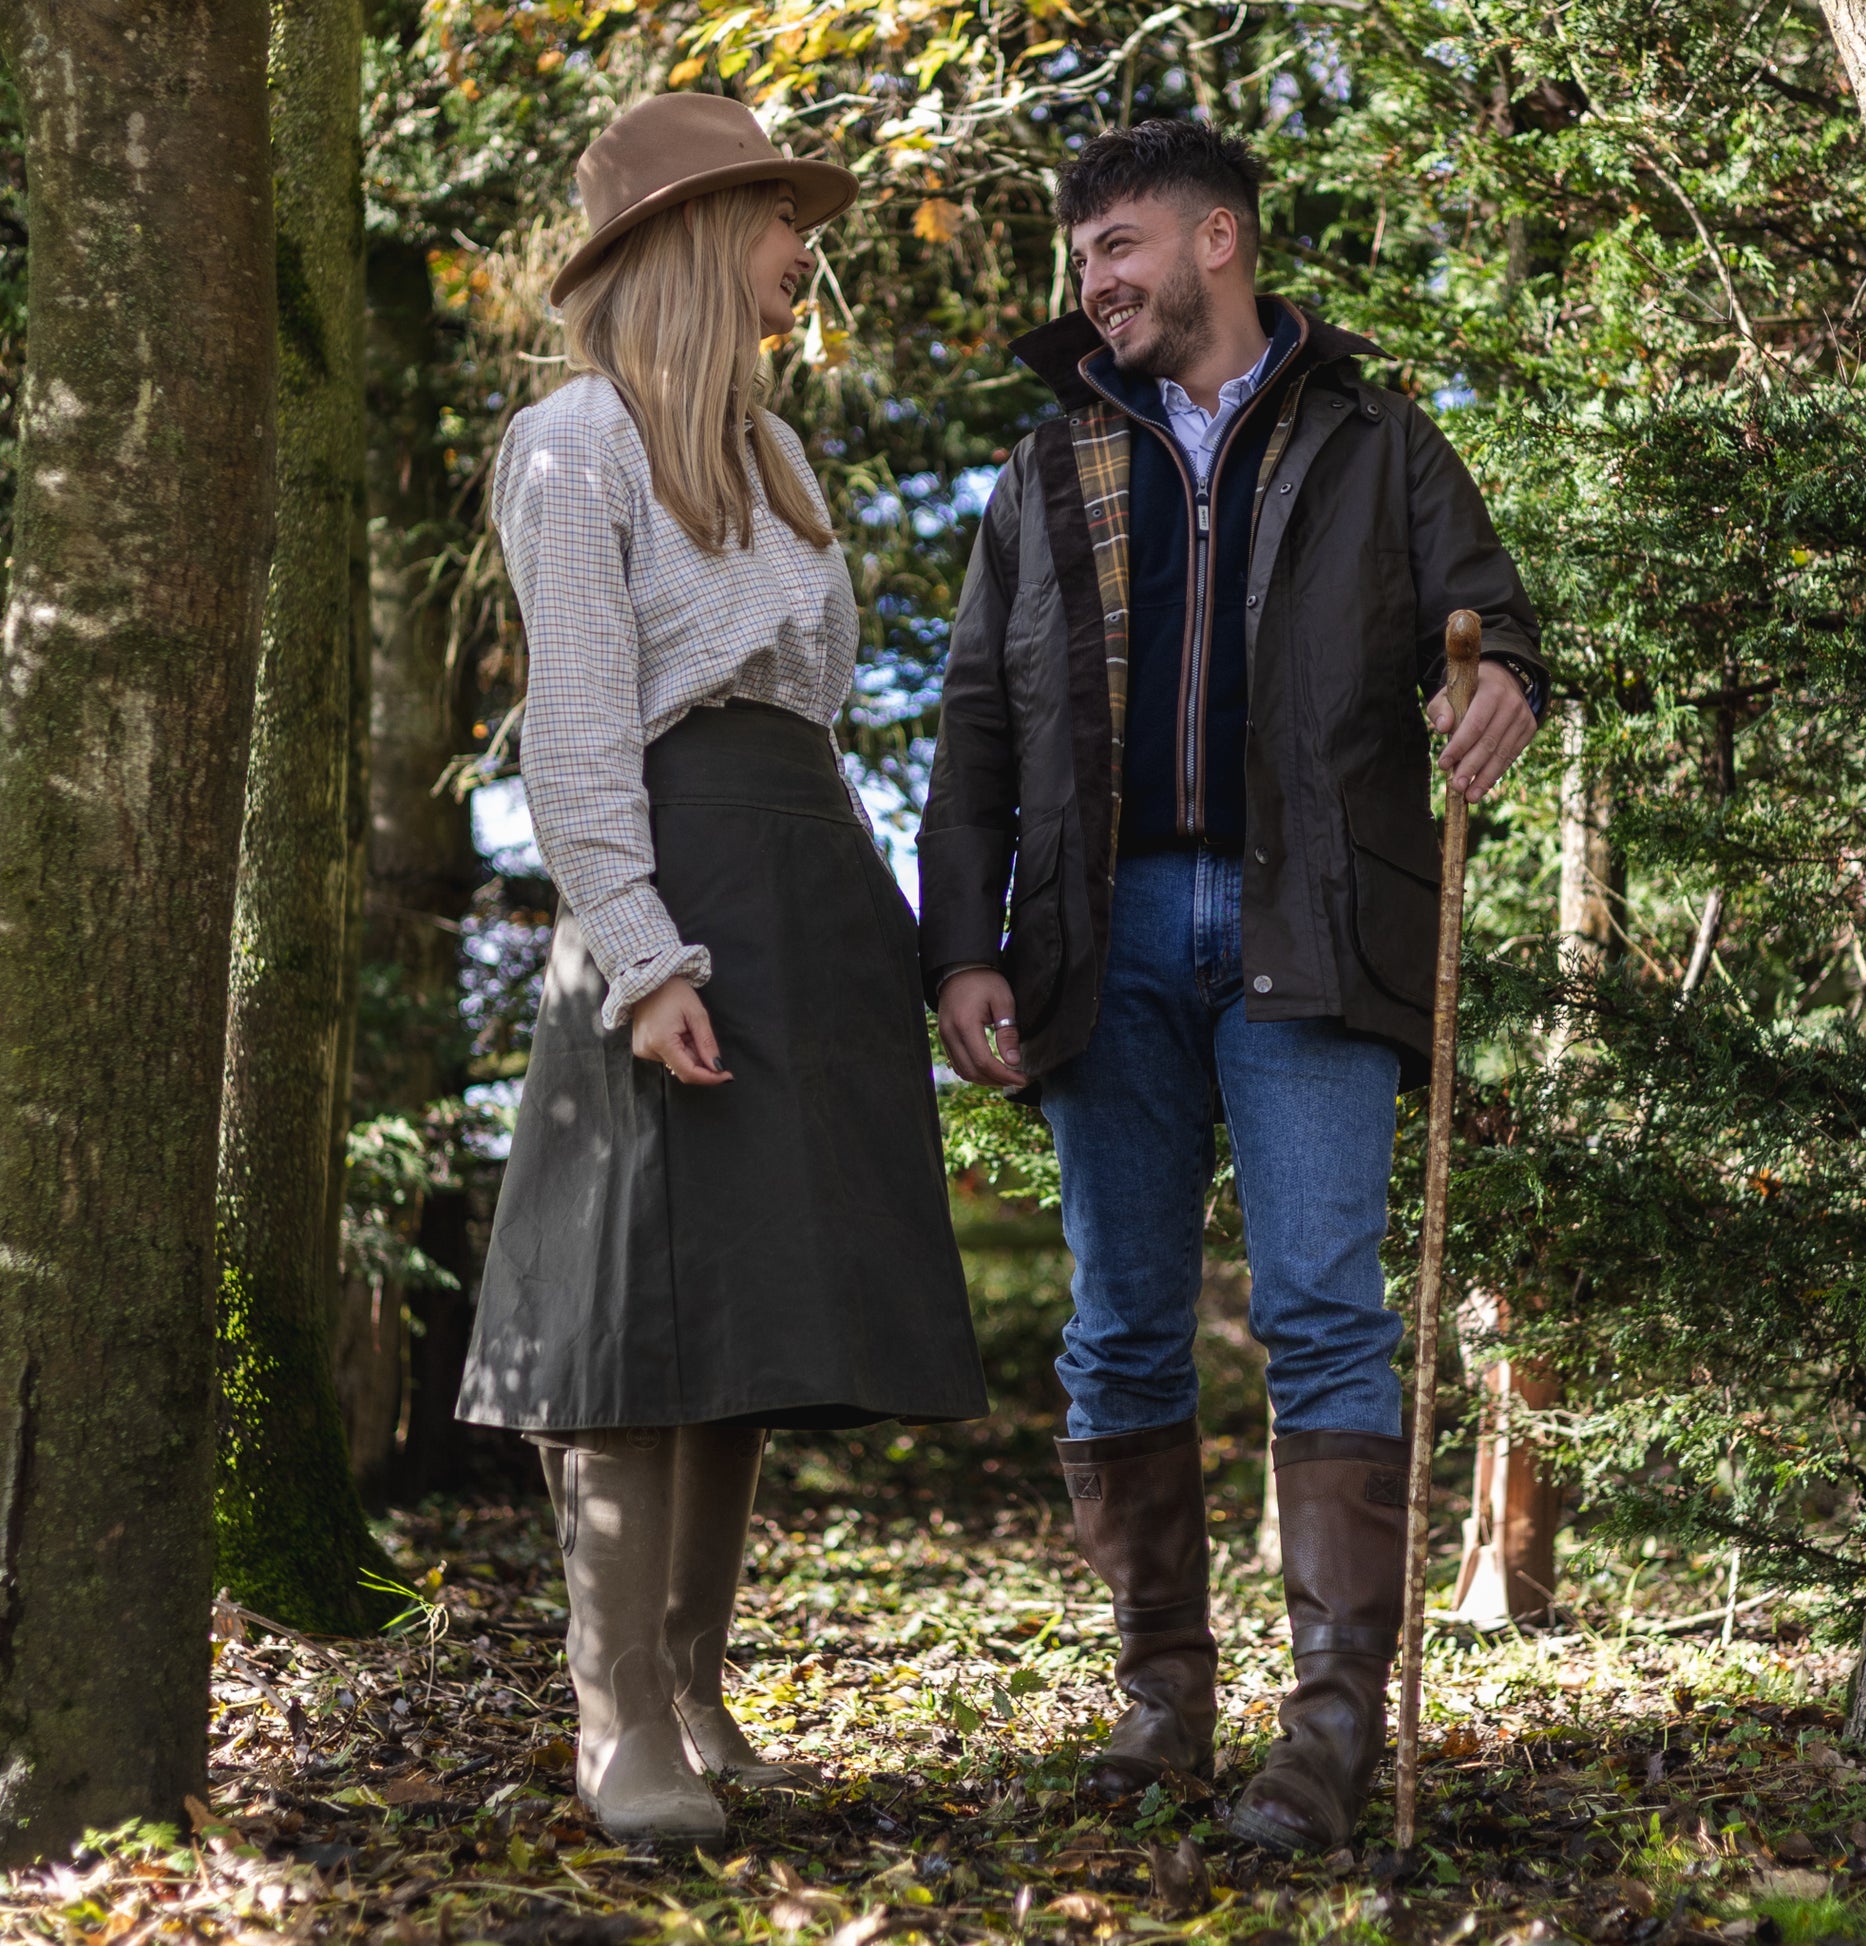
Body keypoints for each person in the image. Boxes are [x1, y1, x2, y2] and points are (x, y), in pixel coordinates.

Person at [919, 120, 1545, 1854]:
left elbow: (1493, 622)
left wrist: (1512, 692)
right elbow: (973, 722)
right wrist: (962, 941)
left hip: (1312, 928)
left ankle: (1332, 1724)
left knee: (1324, 1312)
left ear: (1217, 241)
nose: (1092, 285)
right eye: (1078, 260)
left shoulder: (1374, 440)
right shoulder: (1044, 470)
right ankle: (1159, 1701)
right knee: (1117, 1321)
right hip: (1095, 941)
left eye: (1116, 247)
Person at [456, 92, 989, 1850]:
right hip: (667, 886)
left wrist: (880, 925)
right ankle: (616, 1724)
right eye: (778, 219)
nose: (800, 253)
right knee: (638, 1304)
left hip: (802, 876)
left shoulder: (775, 462)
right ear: (696, 237)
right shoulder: (572, 443)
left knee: (752, 1307)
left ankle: (694, 1685)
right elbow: (583, 733)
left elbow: (813, 717)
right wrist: (642, 951)